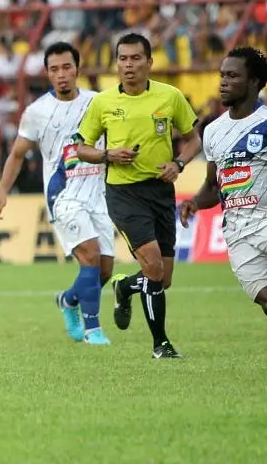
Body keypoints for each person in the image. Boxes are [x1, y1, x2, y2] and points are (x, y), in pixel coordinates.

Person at [74, 33, 201, 359]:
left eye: (135, 58)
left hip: (160, 190)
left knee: (163, 278)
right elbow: (82, 148)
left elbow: (194, 138)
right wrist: (108, 155)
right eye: (122, 59)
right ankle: (161, 344)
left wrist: (179, 163)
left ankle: (125, 286)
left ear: (149, 62)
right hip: (123, 192)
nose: (128, 65)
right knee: (154, 267)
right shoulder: (102, 103)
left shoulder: (170, 96)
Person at [179, 47, 267, 344]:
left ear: (253, 83)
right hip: (237, 232)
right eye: (222, 75)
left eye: (232, 76)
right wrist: (195, 203)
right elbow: (214, 186)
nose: (223, 82)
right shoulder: (212, 131)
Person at [0, 42, 114, 345]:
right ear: (47, 73)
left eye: (66, 68)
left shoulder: (98, 103)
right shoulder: (37, 112)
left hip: (98, 195)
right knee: (91, 257)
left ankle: (69, 301)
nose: (61, 75)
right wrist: (2, 191)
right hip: (63, 197)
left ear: (77, 69)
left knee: (105, 271)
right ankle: (93, 329)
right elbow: (17, 153)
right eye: (54, 69)